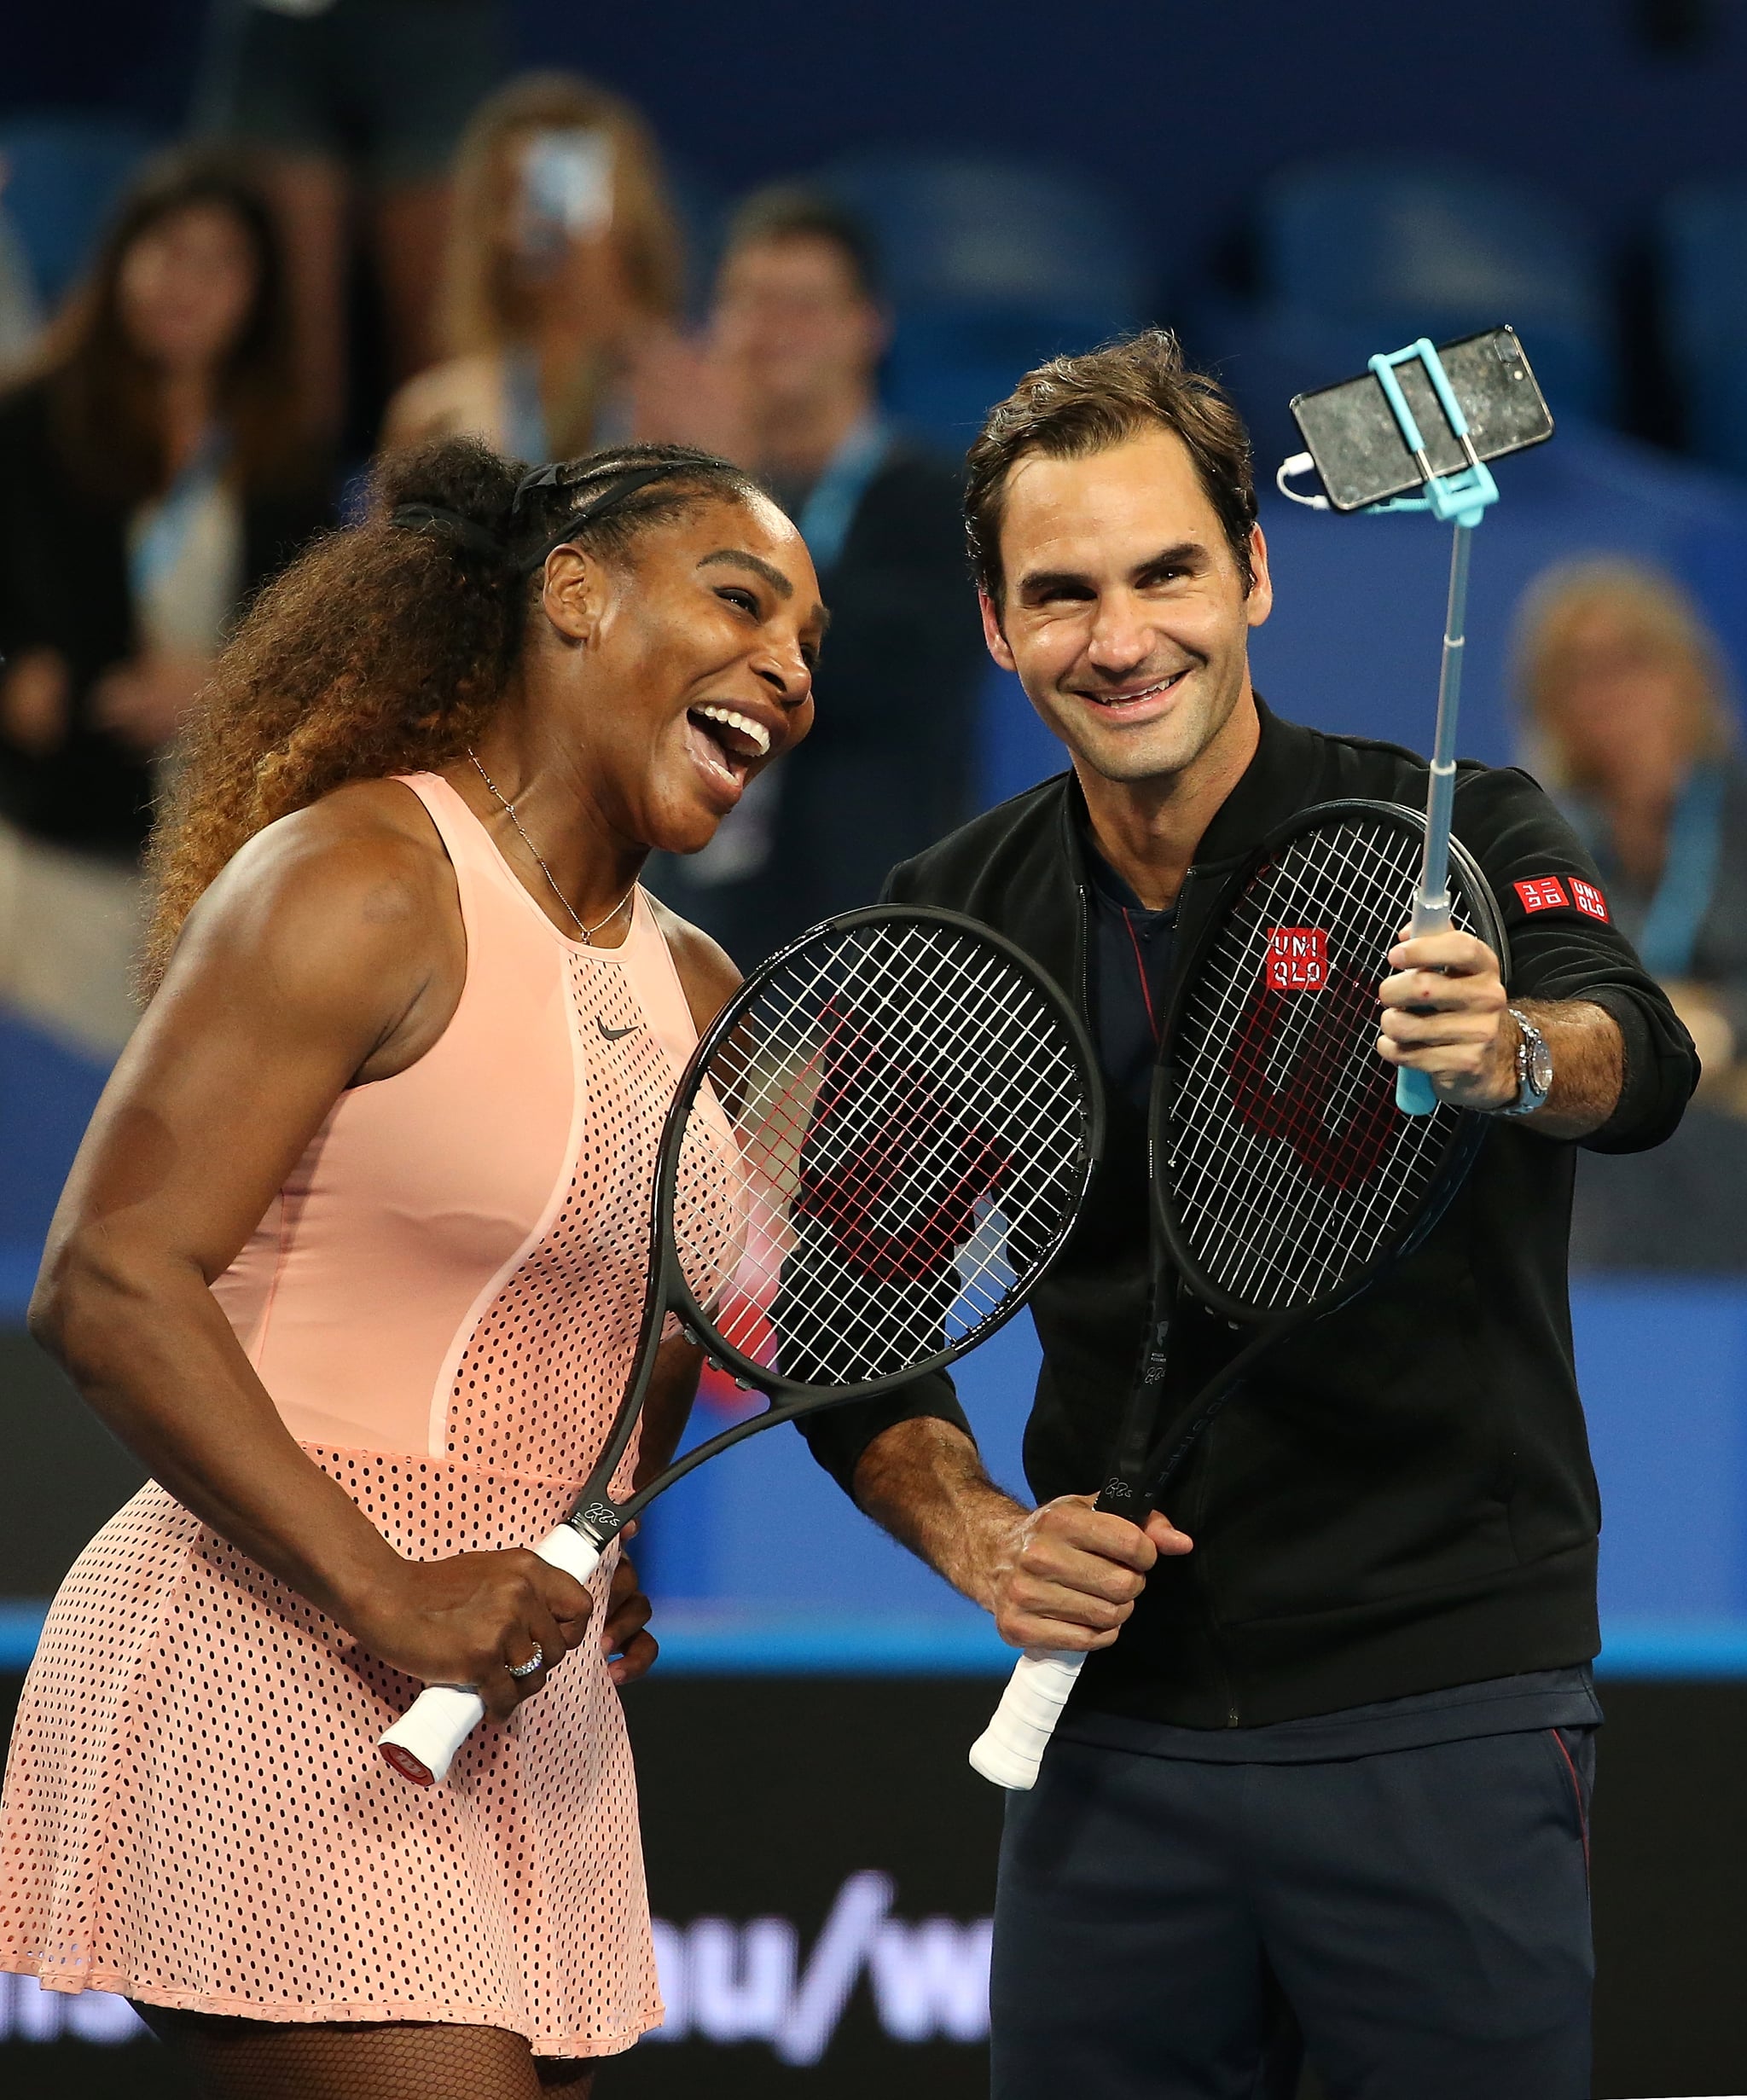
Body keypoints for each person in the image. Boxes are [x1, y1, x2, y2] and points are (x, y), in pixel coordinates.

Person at [796, 332, 1698, 2100]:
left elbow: (1637, 1053)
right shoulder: (951, 916)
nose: (1119, 638)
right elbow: (837, 1314)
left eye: (1165, 573)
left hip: (1438, 1704)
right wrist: (979, 1530)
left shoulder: (1457, 828)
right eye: (1061, 594)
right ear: (993, 624)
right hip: (1115, 1740)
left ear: (1254, 573)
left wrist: (1512, 1045)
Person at [0, 436, 824, 2096]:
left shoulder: (704, 986)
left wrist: (605, 1535)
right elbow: (106, 1278)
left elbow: (649, 1325)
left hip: (517, 1685)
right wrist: (387, 1581)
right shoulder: (363, 876)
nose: (789, 673)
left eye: (811, 645)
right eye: (742, 601)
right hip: (278, 1636)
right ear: (573, 597)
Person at [0, 148, 329, 1058]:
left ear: (259, 293)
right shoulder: (28, 423)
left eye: (220, 261)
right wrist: (18, 678)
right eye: (167, 249)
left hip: (211, 866)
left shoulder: (285, 458)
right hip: (58, 842)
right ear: (121, 262)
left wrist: (219, 690)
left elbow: (321, 651)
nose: (187, 283)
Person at [647, 186, 985, 966]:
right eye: (750, 304)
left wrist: (725, 488)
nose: (772, 335)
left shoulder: (939, 503)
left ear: (869, 326)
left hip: (864, 961)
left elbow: (866, 673)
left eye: (802, 307)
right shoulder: (667, 505)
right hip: (679, 937)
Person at [1513, 557, 1747, 1268]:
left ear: (1690, 673)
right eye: (1576, 671)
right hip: (1607, 1123)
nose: (1606, 693)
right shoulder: (1534, 836)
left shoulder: (1736, 812)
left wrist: (1724, 1028)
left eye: (1631, 661)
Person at [200, 0, 514, 444]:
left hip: (438, 25)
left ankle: (446, 510)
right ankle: (291, 513)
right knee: (288, 354)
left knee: (442, 355)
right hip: (283, 20)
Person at [381, 73, 686, 467]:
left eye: (567, 190)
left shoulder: (693, 402)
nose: (540, 225)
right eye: (513, 197)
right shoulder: (437, 416)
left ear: (629, 207)